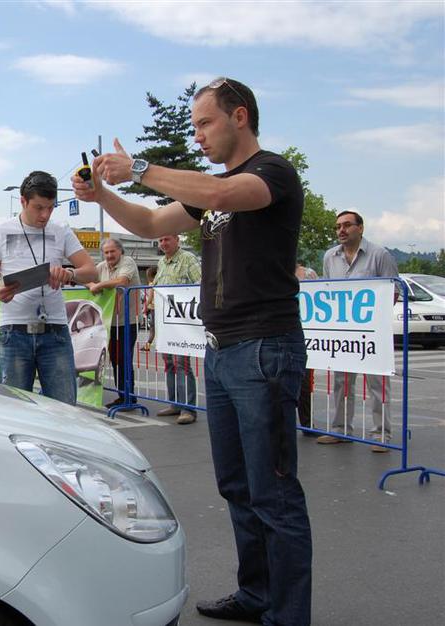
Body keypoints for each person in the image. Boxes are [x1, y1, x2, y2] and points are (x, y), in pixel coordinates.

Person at [73, 77, 311, 625]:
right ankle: (257, 594)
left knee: (274, 492)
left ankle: (288, 614)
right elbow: (152, 222)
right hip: (223, 352)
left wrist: (138, 169)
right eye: (195, 126)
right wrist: (103, 195)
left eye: (205, 123)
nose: (198, 135)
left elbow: (224, 195)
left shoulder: (271, 172)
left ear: (240, 116)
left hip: (264, 347)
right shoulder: (211, 192)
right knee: (237, 486)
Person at [0, 170, 96, 405]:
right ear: (23, 201)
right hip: (14, 330)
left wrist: (70, 274)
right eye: (39, 207)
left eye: (51, 208)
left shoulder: (61, 230)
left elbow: (92, 271)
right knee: (15, 407)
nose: (45, 215)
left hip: (55, 330)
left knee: (64, 407)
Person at [317, 210, 399, 453]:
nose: (341, 230)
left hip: (373, 332)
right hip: (343, 333)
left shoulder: (380, 255)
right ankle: (341, 430)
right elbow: (328, 290)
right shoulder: (330, 257)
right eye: (338, 226)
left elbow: (393, 291)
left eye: (347, 225)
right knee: (341, 383)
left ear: (360, 228)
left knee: (377, 383)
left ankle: (381, 434)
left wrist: (374, 318)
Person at [85, 238, 141, 407]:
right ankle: (123, 395)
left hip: (127, 321)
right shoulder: (101, 266)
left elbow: (122, 281)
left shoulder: (127, 262)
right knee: (116, 359)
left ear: (120, 251)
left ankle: (128, 397)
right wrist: (91, 285)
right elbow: (86, 278)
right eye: (106, 252)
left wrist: (99, 285)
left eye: (112, 251)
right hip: (110, 321)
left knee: (124, 359)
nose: (109, 255)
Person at [153, 234, 201, 425]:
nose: (163, 243)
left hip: (182, 322)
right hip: (165, 322)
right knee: (169, 363)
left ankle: (188, 409)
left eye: (167, 239)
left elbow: (200, 282)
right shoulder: (161, 262)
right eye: (160, 240)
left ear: (177, 240)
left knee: (182, 364)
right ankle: (174, 404)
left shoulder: (188, 258)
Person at [295, 263, 318, 435]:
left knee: (305, 382)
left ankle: (307, 423)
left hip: (307, 333)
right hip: (283, 330)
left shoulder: (308, 274)